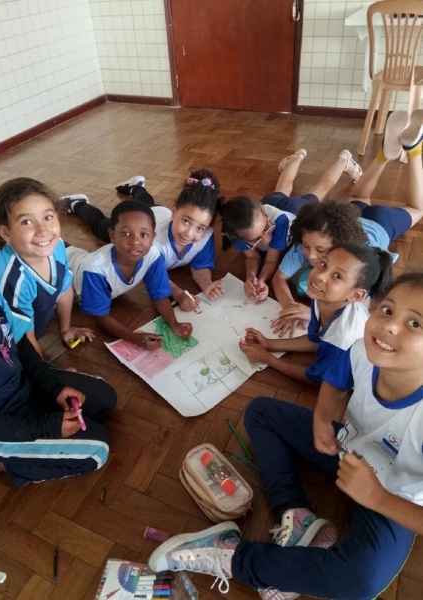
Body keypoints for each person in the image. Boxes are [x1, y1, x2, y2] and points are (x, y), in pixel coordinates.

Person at [146, 271, 423, 600]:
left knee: (361, 583)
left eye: (415, 323)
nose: (390, 326)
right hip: (348, 452)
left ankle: (233, 556)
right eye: (387, 310)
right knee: (261, 412)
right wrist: (322, 419)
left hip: (396, 498)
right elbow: (336, 381)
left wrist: (377, 497)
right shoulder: (362, 350)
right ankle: (296, 513)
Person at [0, 245, 116, 487]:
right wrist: (44, 427)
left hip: (19, 386)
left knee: (104, 398)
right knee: (97, 450)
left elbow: (19, 344)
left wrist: (53, 388)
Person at [272, 109, 423, 337]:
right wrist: (289, 307)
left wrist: (313, 314)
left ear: (340, 244)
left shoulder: (358, 261)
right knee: (358, 196)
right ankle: (384, 155)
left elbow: (362, 307)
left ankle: (414, 150)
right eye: (306, 245)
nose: (310, 255)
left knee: (417, 209)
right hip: (354, 214)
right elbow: (279, 278)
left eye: (320, 250)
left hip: (381, 223)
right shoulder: (313, 237)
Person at [64, 169, 224, 312]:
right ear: (174, 210)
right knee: (100, 225)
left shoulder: (205, 236)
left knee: (147, 203)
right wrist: (179, 294)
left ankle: (136, 187)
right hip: (142, 224)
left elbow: (200, 267)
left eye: (200, 228)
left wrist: (207, 285)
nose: (189, 233)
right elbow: (155, 276)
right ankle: (78, 204)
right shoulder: (149, 244)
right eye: (186, 221)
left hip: (157, 214)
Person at [240, 242, 393, 385]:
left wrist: (267, 359)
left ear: (356, 296)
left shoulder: (343, 336)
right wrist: (269, 344)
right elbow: (318, 340)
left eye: (337, 276)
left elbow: (315, 379)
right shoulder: (321, 298)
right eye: (324, 264)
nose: (320, 276)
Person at [220, 149, 362, 303]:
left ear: (263, 212)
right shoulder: (241, 228)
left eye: (266, 228)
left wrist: (262, 280)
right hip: (271, 203)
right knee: (283, 187)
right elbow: (252, 257)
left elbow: (271, 261)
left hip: (295, 209)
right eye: (256, 239)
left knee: (320, 190)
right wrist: (251, 277)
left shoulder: (281, 223)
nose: (266, 239)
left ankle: (343, 160)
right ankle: (296, 158)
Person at [0, 177, 94, 356]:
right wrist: (45, 373)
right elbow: (24, 343)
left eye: (48, 217)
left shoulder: (56, 246)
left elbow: (64, 290)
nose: (43, 231)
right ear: (5, 232)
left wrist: (65, 330)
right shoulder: (12, 280)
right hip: (1, 352)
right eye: (27, 222)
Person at [65, 199, 193, 350]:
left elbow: (159, 294)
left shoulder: (153, 256)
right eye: (125, 233)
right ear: (112, 235)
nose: (134, 242)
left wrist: (174, 323)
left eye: (143, 234)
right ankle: (76, 203)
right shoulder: (95, 270)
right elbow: (100, 317)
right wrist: (134, 337)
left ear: (153, 237)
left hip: (79, 257)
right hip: (61, 269)